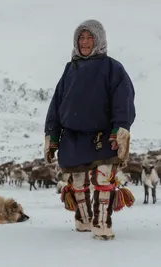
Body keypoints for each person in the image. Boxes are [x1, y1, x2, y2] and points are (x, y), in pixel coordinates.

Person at [43, 19, 136, 240]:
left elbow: (123, 99)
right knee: (77, 182)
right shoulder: (70, 69)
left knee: (104, 181)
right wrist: (52, 135)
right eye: (81, 38)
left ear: (99, 40)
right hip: (73, 137)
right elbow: (57, 104)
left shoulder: (113, 68)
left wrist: (120, 129)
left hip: (102, 136)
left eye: (89, 38)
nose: (85, 42)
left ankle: (102, 224)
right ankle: (83, 219)